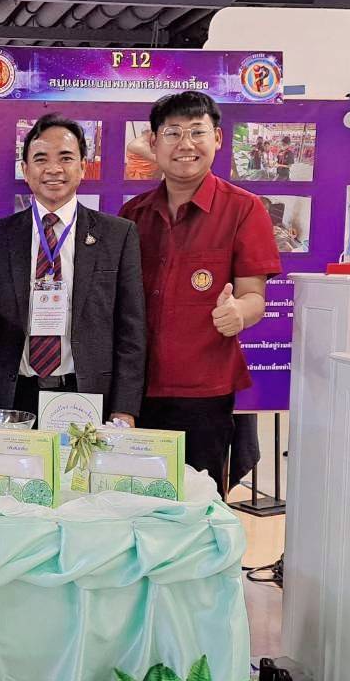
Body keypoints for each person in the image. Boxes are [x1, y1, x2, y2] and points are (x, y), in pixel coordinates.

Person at [120, 91, 282, 496]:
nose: (185, 144)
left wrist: (239, 313)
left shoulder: (244, 209)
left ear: (218, 139)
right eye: (172, 133)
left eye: (197, 132)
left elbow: (254, 295)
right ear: (153, 142)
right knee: (128, 501)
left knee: (198, 506)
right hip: (133, 392)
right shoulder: (132, 215)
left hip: (202, 393)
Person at [0, 113, 146, 422]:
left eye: (65, 158)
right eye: (41, 159)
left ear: (83, 167)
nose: (53, 169)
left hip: (86, 393)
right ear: (25, 170)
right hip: (13, 395)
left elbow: (132, 330)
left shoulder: (118, 235)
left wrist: (125, 409)